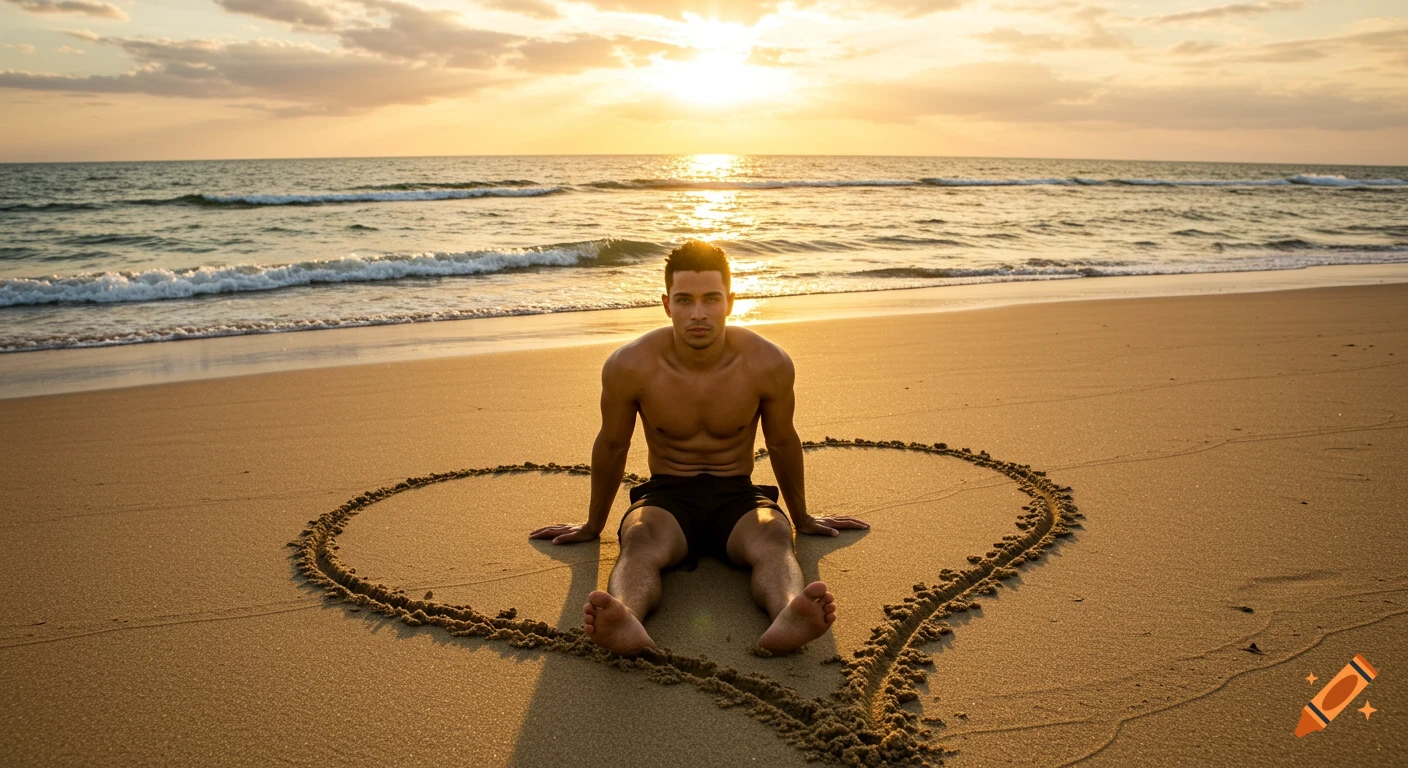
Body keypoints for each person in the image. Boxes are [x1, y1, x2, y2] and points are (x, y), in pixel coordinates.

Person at [528, 240, 869, 656]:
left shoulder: (767, 362)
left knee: (775, 535)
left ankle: (789, 613)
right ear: (666, 304)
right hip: (668, 496)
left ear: (731, 301)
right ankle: (625, 616)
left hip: (738, 495)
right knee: (638, 540)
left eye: (711, 299)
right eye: (685, 300)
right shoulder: (631, 365)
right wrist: (592, 526)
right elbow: (613, 444)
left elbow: (781, 441)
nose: (698, 313)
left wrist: (802, 517)